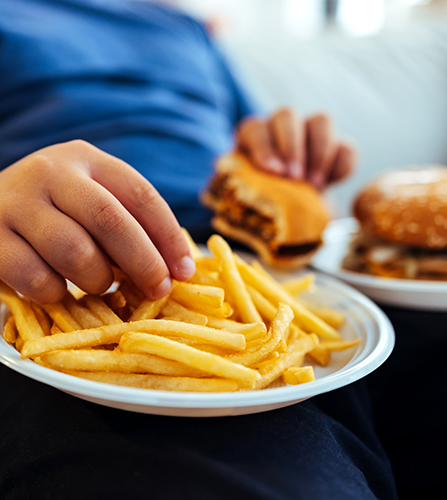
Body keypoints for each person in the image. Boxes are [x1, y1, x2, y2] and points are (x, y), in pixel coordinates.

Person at [0, 1, 398, 499]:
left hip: (255, 288)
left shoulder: (187, 28)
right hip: (68, 287)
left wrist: (296, 177)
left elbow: (263, 171)